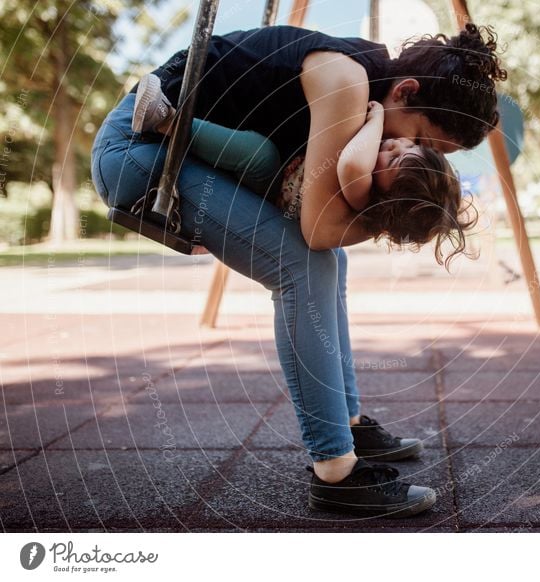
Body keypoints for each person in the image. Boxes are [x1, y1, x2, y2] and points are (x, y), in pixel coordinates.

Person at [91, 23, 506, 518]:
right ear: (405, 91)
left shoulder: (369, 91)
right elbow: (317, 229)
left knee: (331, 262)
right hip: (139, 151)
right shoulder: (347, 82)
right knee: (304, 265)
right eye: (421, 138)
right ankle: (335, 470)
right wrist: (397, 216)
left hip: (187, 159)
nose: (415, 153)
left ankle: (348, 423)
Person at [131, 74, 473, 266]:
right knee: (255, 149)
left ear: (389, 198)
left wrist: (378, 117)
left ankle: (166, 120)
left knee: (258, 153)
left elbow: (352, 163)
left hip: (269, 191)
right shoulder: (371, 192)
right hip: (274, 191)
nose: (395, 145)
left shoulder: (362, 191)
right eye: (410, 146)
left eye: (396, 161)